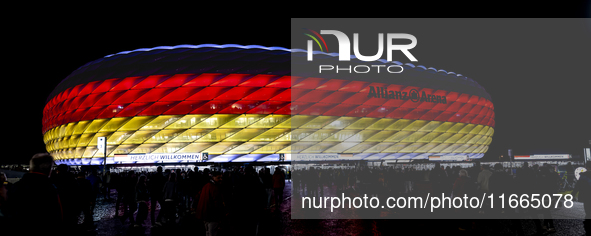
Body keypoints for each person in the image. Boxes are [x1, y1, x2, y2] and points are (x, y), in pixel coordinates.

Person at [6, 153, 63, 234]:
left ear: (31, 167)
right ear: (49, 170)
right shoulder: (51, 189)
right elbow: (57, 217)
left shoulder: (16, 186)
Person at [196, 171, 226, 236]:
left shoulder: (206, 186)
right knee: (213, 232)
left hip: (204, 214)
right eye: (218, 178)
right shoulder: (215, 188)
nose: (220, 179)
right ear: (213, 178)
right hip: (212, 215)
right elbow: (217, 203)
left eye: (221, 177)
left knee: (207, 232)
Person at [573, 162, 591, 234]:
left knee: (588, 212)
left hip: (586, 196)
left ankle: (588, 228)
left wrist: (573, 194)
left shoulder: (583, 175)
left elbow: (578, 186)